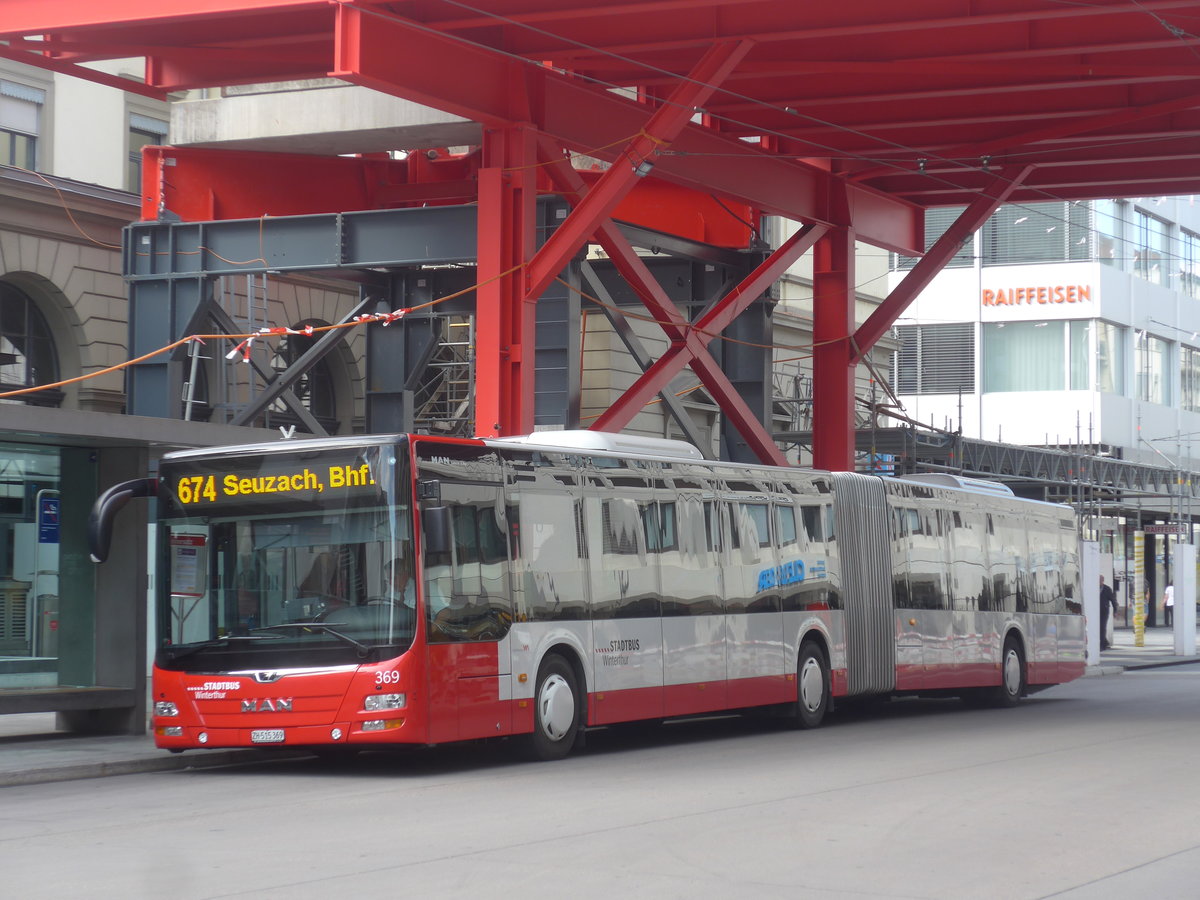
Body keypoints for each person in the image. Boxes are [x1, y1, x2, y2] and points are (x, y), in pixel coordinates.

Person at [1099, 575, 1117, 650]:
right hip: (1096, 611)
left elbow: (1113, 600)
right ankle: (1105, 642)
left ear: (1102, 581)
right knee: (1097, 627)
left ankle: (1102, 645)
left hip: (1104, 610)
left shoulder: (1107, 589)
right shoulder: (1093, 587)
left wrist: (1115, 611)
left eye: (1099, 580)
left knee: (1102, 627)